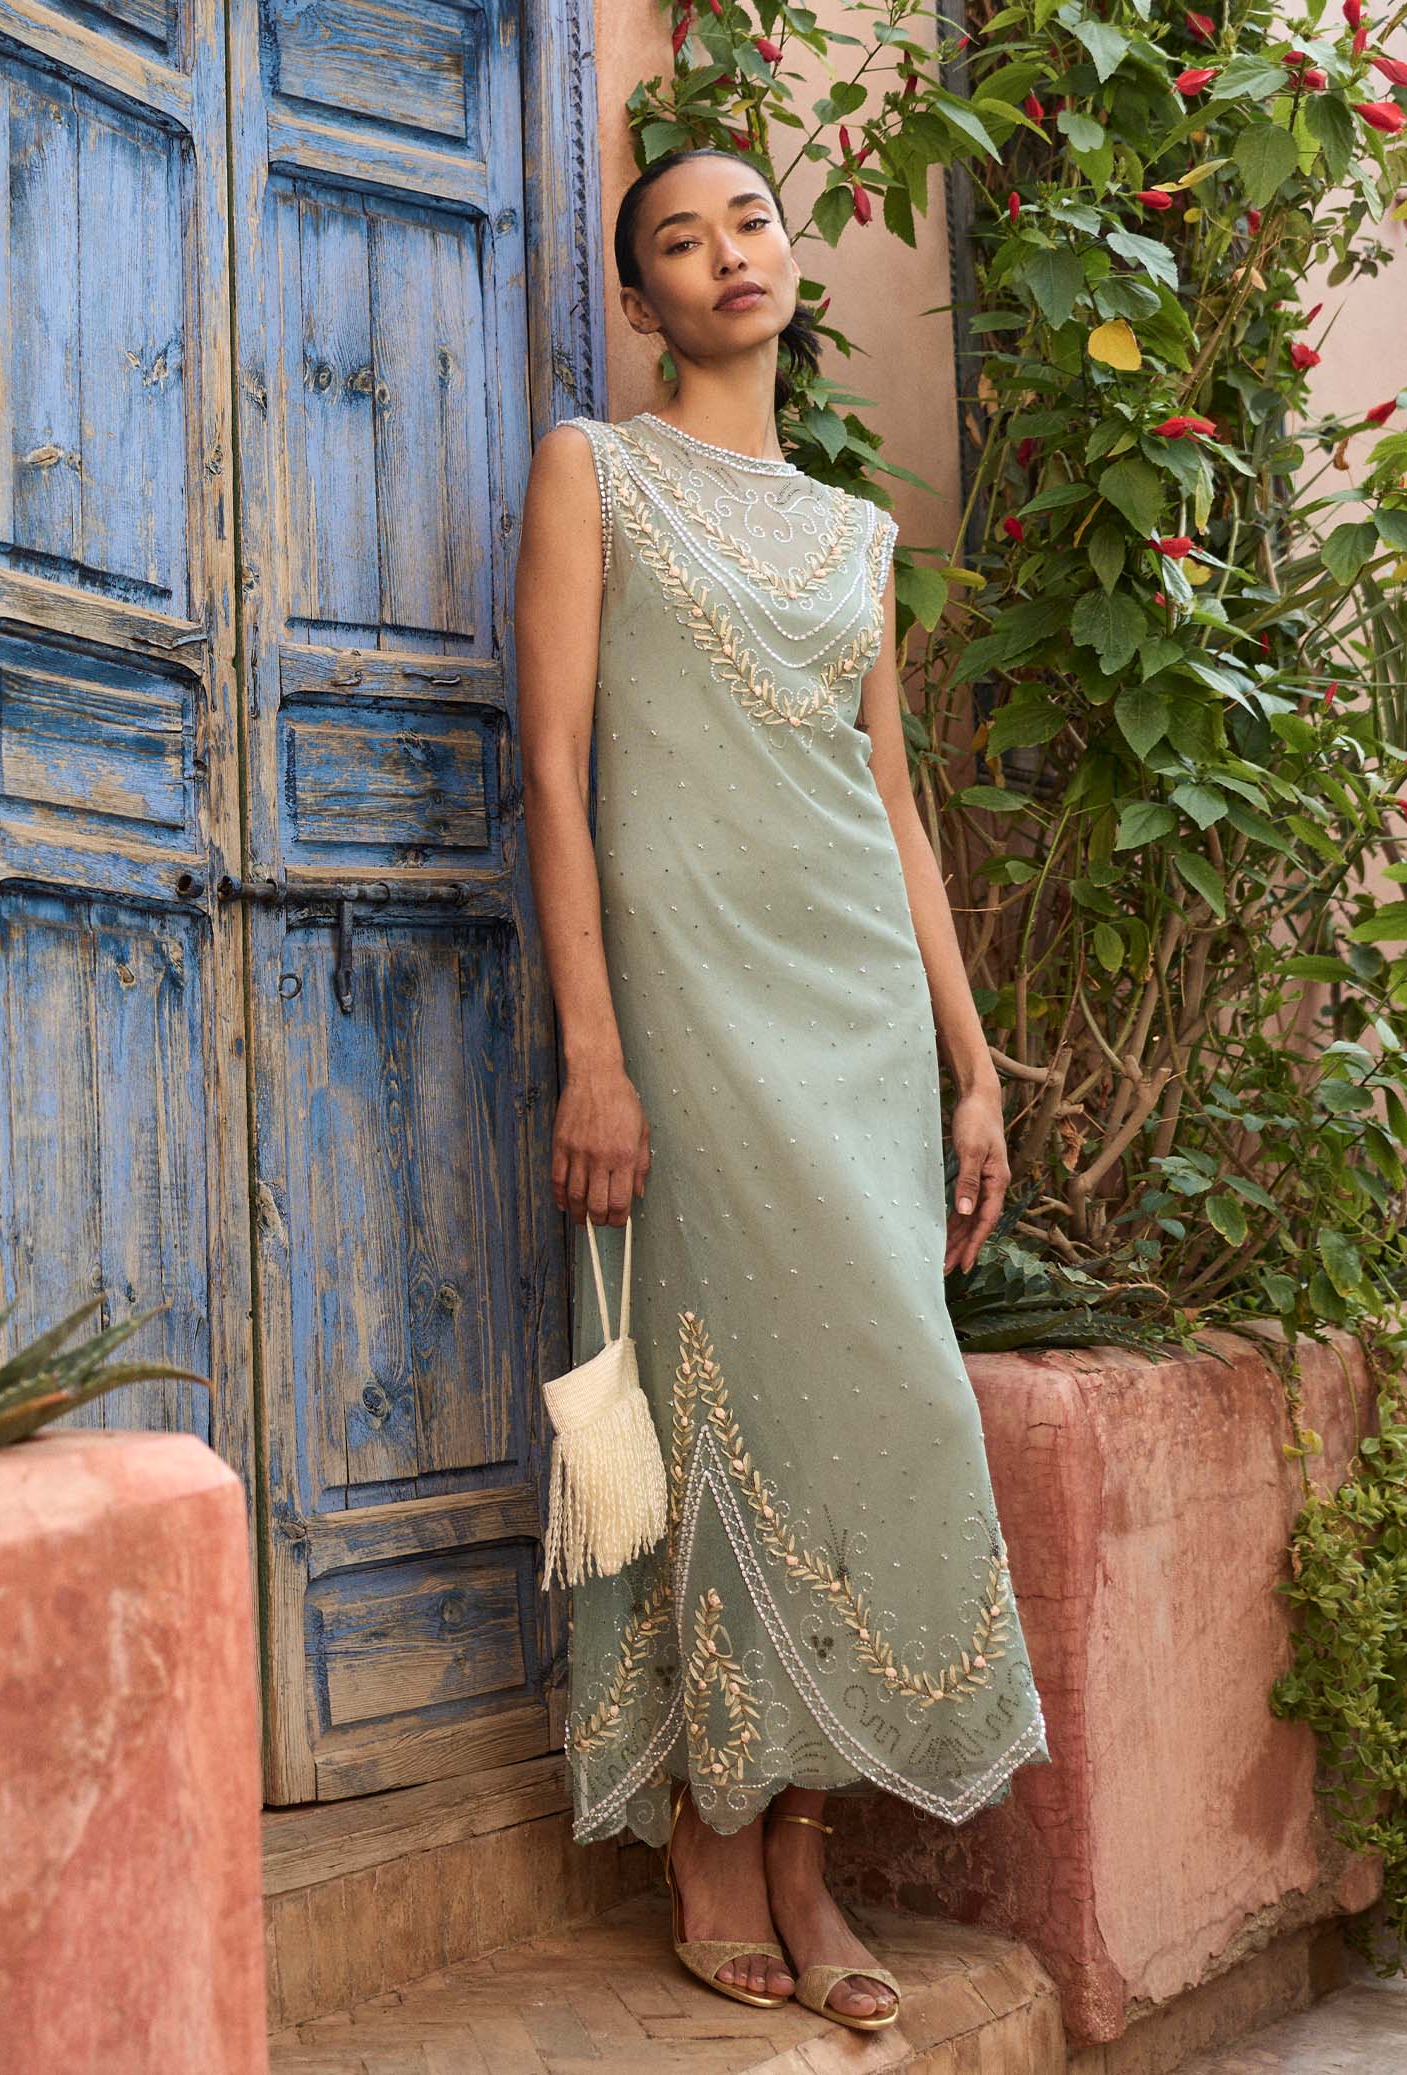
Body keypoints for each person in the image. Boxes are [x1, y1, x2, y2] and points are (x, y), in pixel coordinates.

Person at [512, 144, 1051, 2032]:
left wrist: (972, 1070)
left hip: (858, 1021)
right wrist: (593, 1048)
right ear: (641, 301)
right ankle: (708, 1834)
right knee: (715, 1396)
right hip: (689, 1017)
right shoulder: (593, 471)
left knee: (886, 1406)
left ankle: (804, 1849)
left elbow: (893, 812)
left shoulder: (852, 537)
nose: (725, 253)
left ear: (790, 261)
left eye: (748, 221)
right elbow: (555, 767)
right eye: (680, 240)